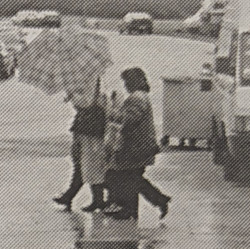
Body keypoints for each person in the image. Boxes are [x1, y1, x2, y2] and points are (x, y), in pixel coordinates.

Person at [103, 67, 171, 220]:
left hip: (135, 146)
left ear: (133, 82)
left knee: (124, 177)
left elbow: (129, 119)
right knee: (132, 178)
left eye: (127, 82)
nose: (125, 85)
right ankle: (132, 208)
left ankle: (139, 205)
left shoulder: (136, 98)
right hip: (140, 146)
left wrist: (109, 111)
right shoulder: (141, 96)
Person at [54, 79, 109, 212]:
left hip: (90, 128)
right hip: (83, 126)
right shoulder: (82, 79)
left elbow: (86, 102)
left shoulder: (91, 80)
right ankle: (80, 197)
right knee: (80, 161)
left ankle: (95, 198)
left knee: (88, 163)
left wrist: (72, 94)